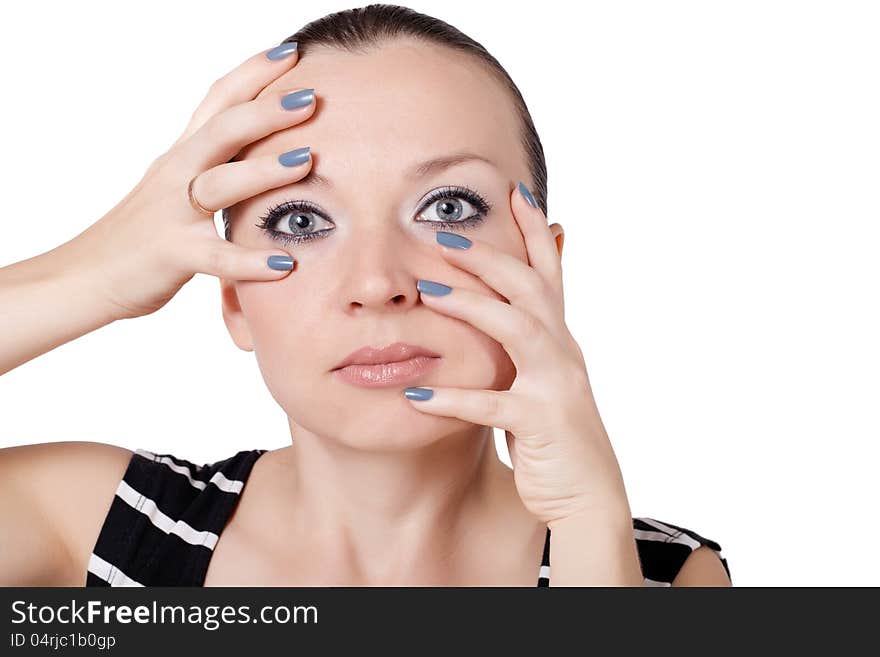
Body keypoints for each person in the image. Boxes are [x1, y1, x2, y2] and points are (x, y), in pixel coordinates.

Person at [0, 4, 731, 587]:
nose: (379, 283)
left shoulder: (662, 576)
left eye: (447, 207)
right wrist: (90, 274)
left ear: (544, 270)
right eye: (301, 220)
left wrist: (586, 524)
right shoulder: (98, 528)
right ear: (232, 298)